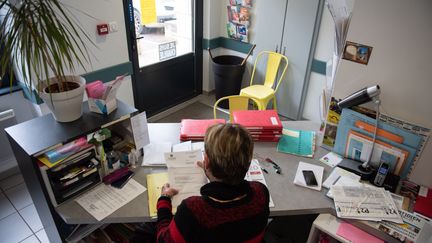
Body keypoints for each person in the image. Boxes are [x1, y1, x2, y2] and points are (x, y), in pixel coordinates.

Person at [156, 123, 270, 242]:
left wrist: (164, 199)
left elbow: (163, 240)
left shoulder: (193, 210)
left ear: (207, 162)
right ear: (249, 162)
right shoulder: (261, 192)